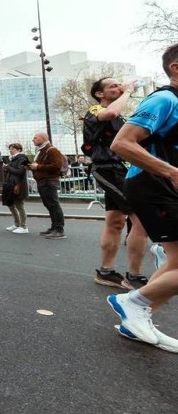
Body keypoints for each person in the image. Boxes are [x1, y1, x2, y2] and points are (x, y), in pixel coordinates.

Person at [107, 43, 178, 352]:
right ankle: (132, 301)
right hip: (152, 185)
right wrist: (172, 172)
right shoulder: (164, 99)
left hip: (164, 186)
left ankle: (138, 318)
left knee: (176, 262)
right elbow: (121, 144)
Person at [84, 77, 149, 289]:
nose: (118, 87)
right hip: (106, 169)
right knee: (140, 218)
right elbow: (109, 113)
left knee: (115, 221)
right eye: (112, 86)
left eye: (118, 85)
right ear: (99, 94)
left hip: (118, 168)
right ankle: (134, 276)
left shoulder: (119, 116)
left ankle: (106, 272)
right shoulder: (94, 109)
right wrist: (128, 91)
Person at [29, 132, 66, 239]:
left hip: (49, 181)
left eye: (35, 138)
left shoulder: (52, 150)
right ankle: (54, 227)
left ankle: (59, 229)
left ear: (43, 138)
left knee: (53, 205)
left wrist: (38, 167)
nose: (33, 139)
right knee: (49, 205)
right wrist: (32, 167)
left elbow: (56, 166)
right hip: (43, 181)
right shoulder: (42, 151)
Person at [2, 143, 30, 234]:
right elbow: (13, 171)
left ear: (19, 149)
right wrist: (7, 168)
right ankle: (17, 224)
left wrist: (8, 167)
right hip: (11, 185)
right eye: (10, 148)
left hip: (18, 185)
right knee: (11, 205)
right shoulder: (13, 159)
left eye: (13, 149)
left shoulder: (22, 158)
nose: (10, 150)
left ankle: (24, 226)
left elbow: (20, 172)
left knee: (19, 205)